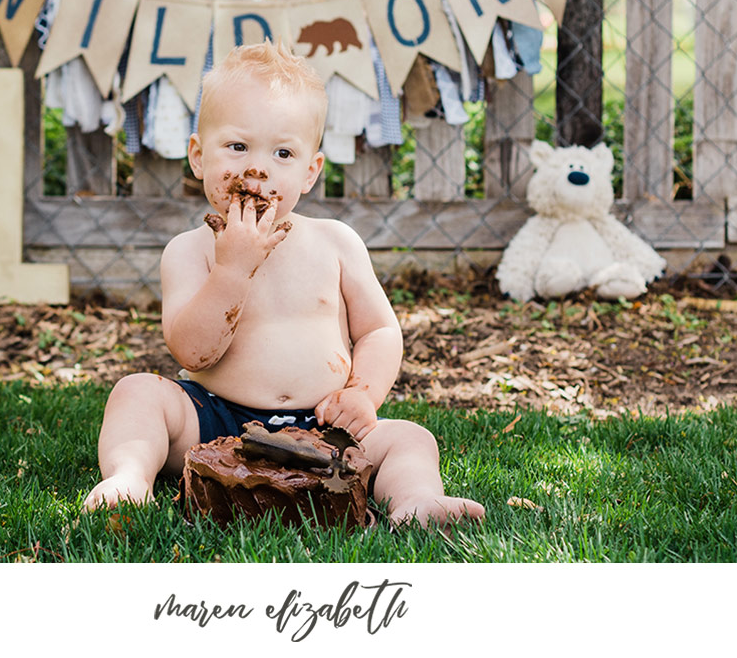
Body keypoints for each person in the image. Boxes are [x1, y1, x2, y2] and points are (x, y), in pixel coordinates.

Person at [83, 42, 484, 527]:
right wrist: (232, 270)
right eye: (236, 147)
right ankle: (127, 480)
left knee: (411, 439)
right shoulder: (189, 251)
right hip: (215, 424)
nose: (258, 168)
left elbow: (379, 331)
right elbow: (193, 353)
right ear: (197, 156)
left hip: (325, 425)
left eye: (283, 152)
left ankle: (415, 501)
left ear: (310, 171)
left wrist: (361, 393)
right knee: (136, 394)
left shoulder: (336, 242)